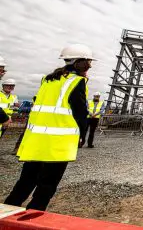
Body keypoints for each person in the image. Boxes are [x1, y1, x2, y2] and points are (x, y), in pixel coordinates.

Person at [4, 44, 94, 211]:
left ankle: (7, 211)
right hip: (58, 142)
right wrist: (82, 135)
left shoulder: (48, 79)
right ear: (80, 64)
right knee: (47, 184)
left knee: (26, 180)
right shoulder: (77, 82)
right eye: (88, 63)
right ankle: (33, 215)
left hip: (37, 138)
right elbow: (80, 113)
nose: (89, 67)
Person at [0, 56, 12, 136]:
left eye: (3, 71)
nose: (2, 73)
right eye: (0, 70)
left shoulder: (14, 97)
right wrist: (4, 118)